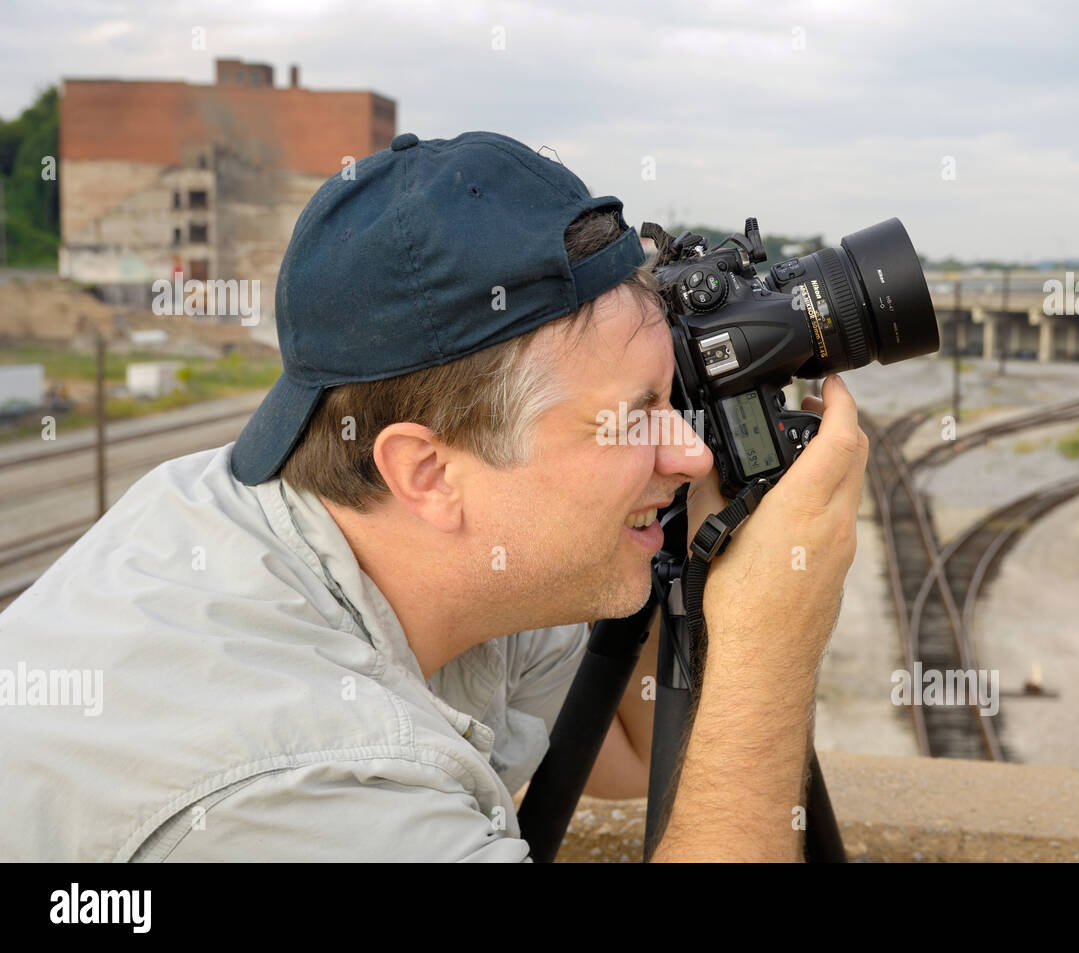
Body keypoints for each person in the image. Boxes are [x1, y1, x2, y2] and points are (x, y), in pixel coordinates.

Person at [0, 131, 868, 861]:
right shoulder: (296, 789)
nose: (683, 451)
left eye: (669, 395)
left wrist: (684, 532)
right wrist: (767, 649)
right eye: (632, 418)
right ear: (427, 472)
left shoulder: (331, 526)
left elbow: (638, 748)